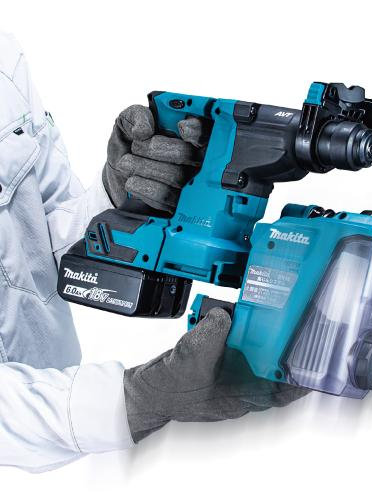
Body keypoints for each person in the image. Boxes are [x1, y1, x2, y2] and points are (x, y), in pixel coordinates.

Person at [0, 33, 307, 473]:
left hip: (69, 414)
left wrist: (120, 202)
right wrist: (134, 401)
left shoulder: (4, 57)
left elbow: (37, 237)